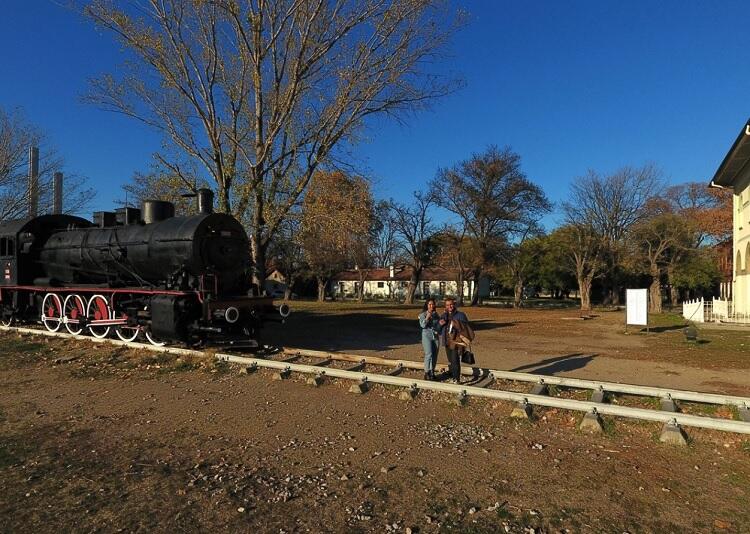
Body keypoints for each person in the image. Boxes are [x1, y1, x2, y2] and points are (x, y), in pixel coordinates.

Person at [438, 297, 470, 383]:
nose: (450, 306)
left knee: (455, 360)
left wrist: (456, 324)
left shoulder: (461, 315)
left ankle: (456, 379)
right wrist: (440, 325)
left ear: (454, 304)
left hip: (456, 341)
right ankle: (453, 374)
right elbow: (439, 330)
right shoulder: (443, 315)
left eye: (451, 304)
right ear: (445, 306)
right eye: (447, 305)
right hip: (447, 341)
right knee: (451, 360)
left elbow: (465, 328)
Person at [418, 298, 440, 380]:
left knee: (435, 355)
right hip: (426, 335)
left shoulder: (436, 314)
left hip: (435, 336)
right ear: (427, 305)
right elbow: (422, 325)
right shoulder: (422, 315)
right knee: (429, 354)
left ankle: (432, 371)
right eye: (429, 304)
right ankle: (426, 372)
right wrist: (427, 317)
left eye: (432, 304)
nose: (431, 306)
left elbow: (438, 325)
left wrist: (439, 328)